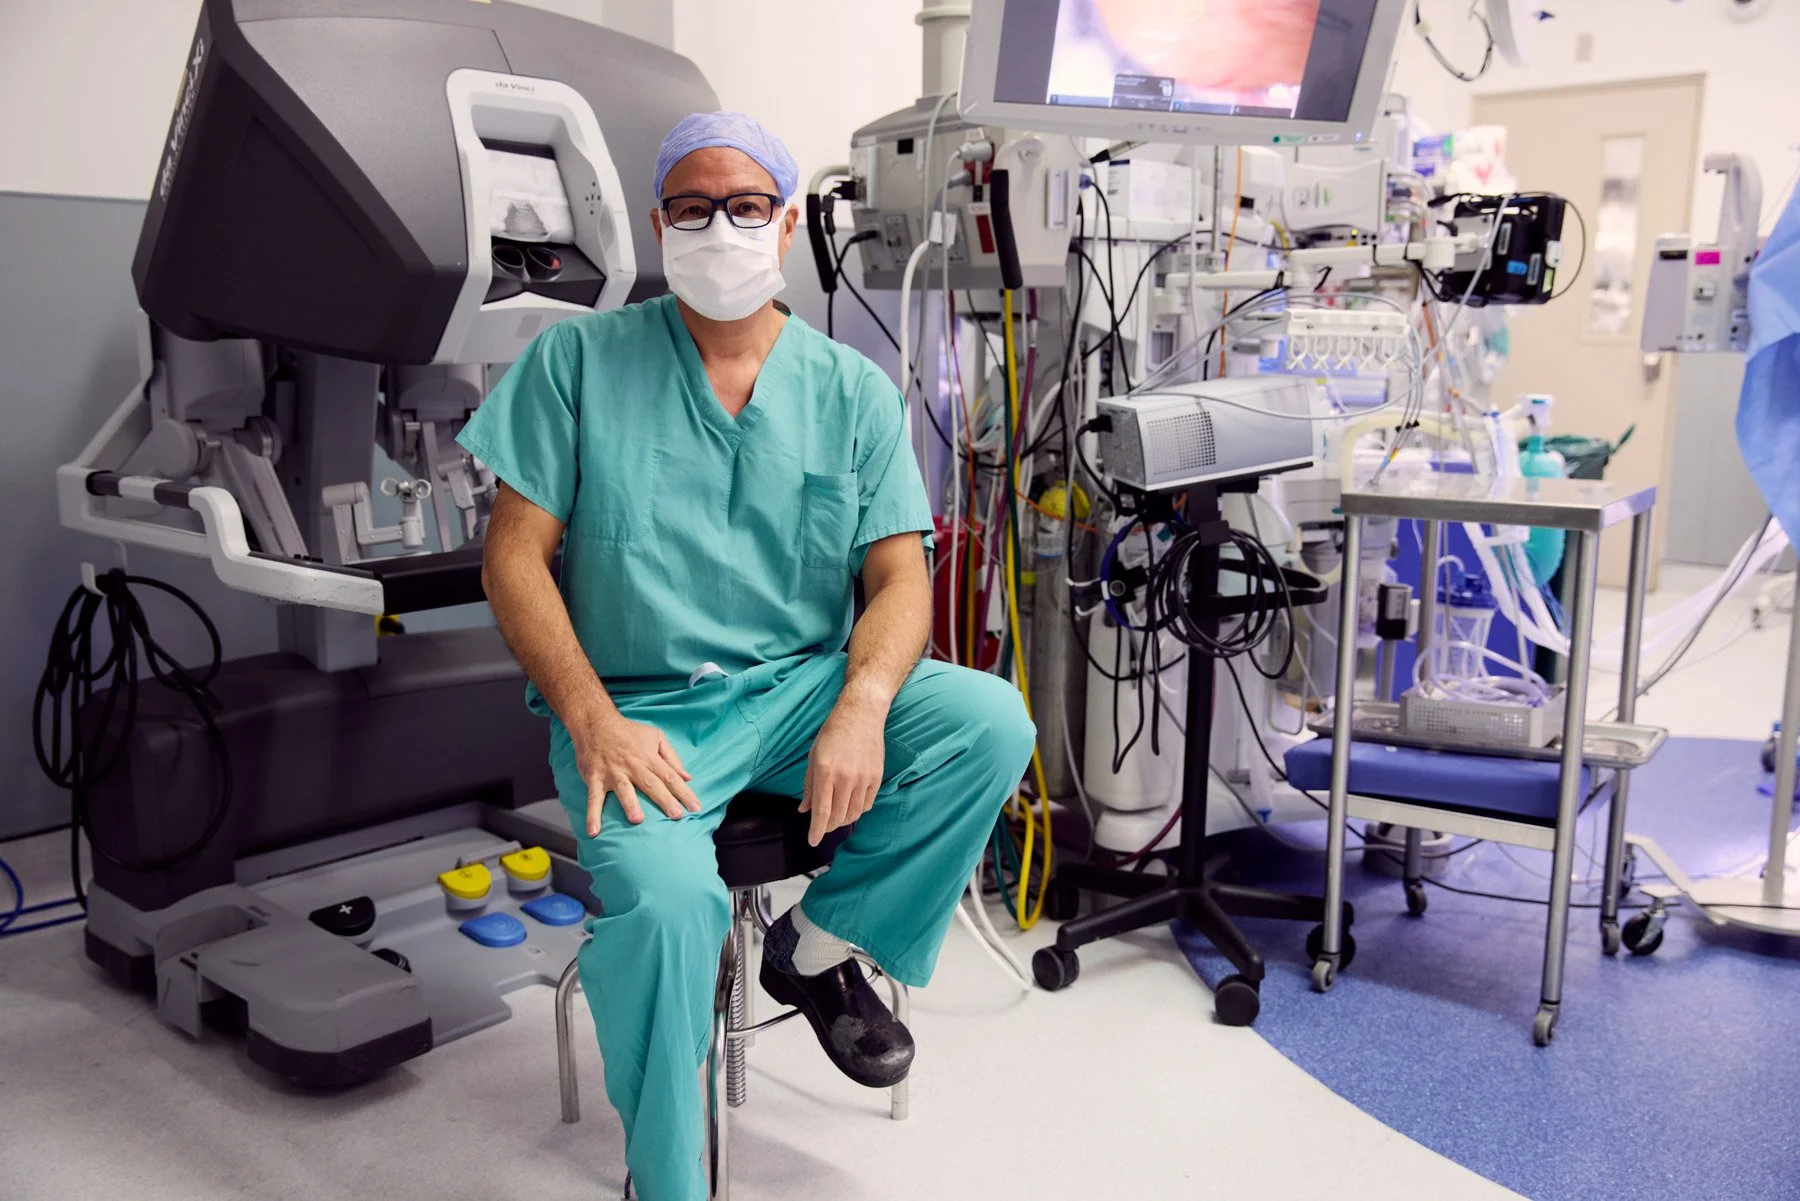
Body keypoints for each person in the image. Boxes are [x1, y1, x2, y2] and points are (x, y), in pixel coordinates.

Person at [458, 112, 1036, 1201]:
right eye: (691, 207)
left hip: (803, 687)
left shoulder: (849, 389)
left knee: (988, 722)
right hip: (640, 710)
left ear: (782, 226)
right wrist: (587, 714)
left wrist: (864, 702)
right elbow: (514, 562)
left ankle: (818, 947)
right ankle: (667, 1178)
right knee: (673, 905)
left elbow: (900, 578)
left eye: (746, 205)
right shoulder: (576, 363)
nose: (718, 226)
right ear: (655, 224)